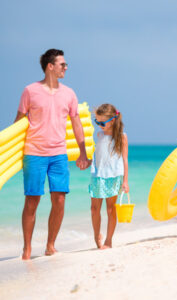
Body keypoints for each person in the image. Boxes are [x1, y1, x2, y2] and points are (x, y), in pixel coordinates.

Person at [15, 49, 90, 260]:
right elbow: (19, 121)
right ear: (51, 66)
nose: (66, 68)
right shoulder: (30, 91)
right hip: (34, 153)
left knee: (59, 200)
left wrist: (82, 153)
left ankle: (50, 245)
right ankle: (27, 248)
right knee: (32, 201)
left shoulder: (69, 94)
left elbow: (76, 123)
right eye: (62, 64)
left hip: (59, 153)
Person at [89, 103, 129, 249]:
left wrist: (125, 181)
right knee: (94, 209)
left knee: (110, 209)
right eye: (97, 122)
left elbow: (125, 159)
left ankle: (109, 240)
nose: (99, 125)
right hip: (97, 175)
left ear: (112, 120)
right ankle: (96, 236)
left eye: (102, 122)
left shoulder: (121, 137)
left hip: (113, 176)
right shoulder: (99, 135)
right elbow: (97, 154)